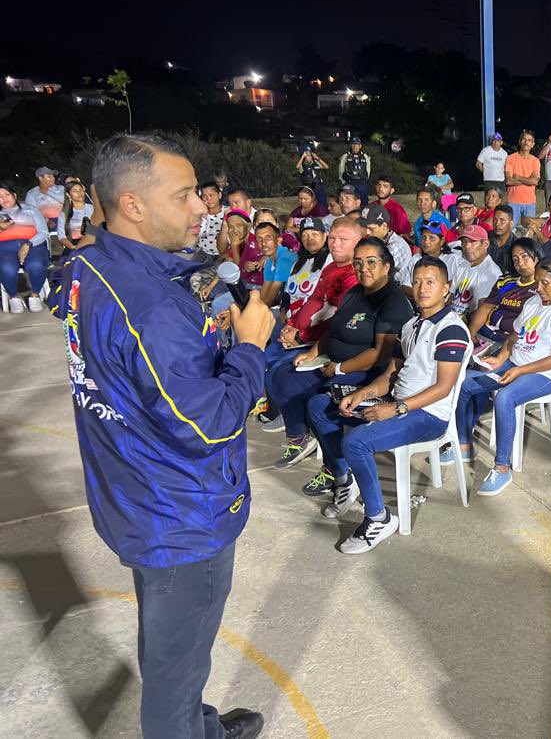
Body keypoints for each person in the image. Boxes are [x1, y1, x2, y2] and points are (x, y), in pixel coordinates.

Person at [54, 133, 271, 738]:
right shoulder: (149, 306)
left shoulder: (87, 267)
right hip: (181, 515)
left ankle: (199, 725)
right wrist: (249, 347)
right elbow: (208, 423)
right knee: (174, 674)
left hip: (133, 493)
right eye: (185, 196)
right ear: (133, 204)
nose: (203, 207)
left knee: (174, 652)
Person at [306, 256, 470, 552]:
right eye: (417, 281)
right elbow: (393, 371)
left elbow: (444, 388)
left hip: (427, 415)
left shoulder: (451, 329)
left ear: (446, 288)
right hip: (397, 401)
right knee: (320, 406)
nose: (422, 288)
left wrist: (395, 408)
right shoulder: (412, 324)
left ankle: (378, 518)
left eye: (430, 282)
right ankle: (345, 480)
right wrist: (363, 392)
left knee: (356, 442)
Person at [269, 237, 413, 471]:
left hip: (364, 372)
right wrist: (314, 351)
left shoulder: (393, 302)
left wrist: (338, 368)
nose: (363, 268)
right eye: (358, 262)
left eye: (371, 262)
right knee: (281, 377)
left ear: (386, 266)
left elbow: (380, 355)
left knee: (320, 406)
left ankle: (336, 469)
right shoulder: (356, 291)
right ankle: (301, 439)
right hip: (333, 362)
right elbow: (335, 326)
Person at [452, 256, 551, 495]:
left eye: (545, 283)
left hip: (546, 375)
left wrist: (519, 370)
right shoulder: (534, 302)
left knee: (505, 398)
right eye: (538, 282)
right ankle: (463, 444)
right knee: (464, 383)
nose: (539, 288)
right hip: (516, 363)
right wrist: (501, 359)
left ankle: (502, 467)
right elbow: (515, 337)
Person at [274, 218, 363, 353]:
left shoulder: (355, 275)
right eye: (332, 238)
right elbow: (313, 299)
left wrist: (300, 336)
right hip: (300, 336)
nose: (335, 244)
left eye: (343, 240)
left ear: (358, 243)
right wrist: (290, 326)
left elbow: (342, 318)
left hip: (321, 345)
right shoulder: (331, 267)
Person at [468, 237, 541, 346]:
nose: (520, 263)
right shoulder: (505, 281)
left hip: (515, 342)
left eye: (524, 256)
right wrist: (470, 334)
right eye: (515, 259)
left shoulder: (542, 286)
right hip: (487, 332)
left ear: (537, 257)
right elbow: (486, 308)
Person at [0, 184, 49, 313]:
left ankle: (35, 294)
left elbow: (43, 232)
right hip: (4, 248)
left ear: (14, 195)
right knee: (7, 268)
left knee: (36, 265)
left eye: (7, 195)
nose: (4, 199)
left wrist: (28, 244)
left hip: (33, 244)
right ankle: (13, 296)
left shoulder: (30, 209)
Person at [446, 225, 502, 317]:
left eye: (473, 242)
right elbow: (451, 298)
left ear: (485, 244)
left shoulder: (491, 273)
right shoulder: (463, 265)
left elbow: (482, 313)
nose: (467, 246)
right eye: (464, 242)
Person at [357, 204, 411, 284]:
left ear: (384, 226)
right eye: (365, 227)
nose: (367, 232)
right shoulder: (377, 240)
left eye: (371, 229)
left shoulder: (396, 247)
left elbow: (382, 278)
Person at [400, 221, 450, 301]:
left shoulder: (451, 260)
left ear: (442, 241)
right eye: (424, 237)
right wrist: (424, 296)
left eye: (432, 238)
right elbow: (405, 287)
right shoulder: (416, 258)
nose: (426, 241)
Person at [504, 130, 542, 228]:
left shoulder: (535, 161)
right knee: (510, 230)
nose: (526, 142)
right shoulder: (510, 158)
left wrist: (518, 177)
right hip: (513, 201)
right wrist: (528, 181)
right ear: (520, 141)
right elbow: (508, 181)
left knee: (529, 231)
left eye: (529, 140)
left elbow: (535, 181)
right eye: (524, 139)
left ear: (532, 144)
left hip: (529, 202)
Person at [254, 222, 297, 306]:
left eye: (268, 238)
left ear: (278, 240)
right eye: (259, 239)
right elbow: (264, 294)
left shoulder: (285, 257)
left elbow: (269, 299)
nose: (263, 243)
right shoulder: (270, 260)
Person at [58, 179, 95, 251]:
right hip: (73, 246)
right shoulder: (65, 213)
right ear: (68, 195)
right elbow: (62, 237)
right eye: (75, 191)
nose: (79, 193)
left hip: (92, 243)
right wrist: (72, 247)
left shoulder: (92, 209)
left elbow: (101, 228)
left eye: (81, 190)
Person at [195, 181, 225, 259]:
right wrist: (204, 216)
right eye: (205, 196)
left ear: (219, 195)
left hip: (223, 254)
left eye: (211, 195)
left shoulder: (227, 212)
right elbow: (200, 234)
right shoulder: (200, 214)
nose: (208, 199)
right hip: (203, 252)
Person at [487, 204, 516, 273]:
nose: (497, 224)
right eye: (495, 220)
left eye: (502, 220)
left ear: (511, 224)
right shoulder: (485, 238)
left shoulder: (516, 245)